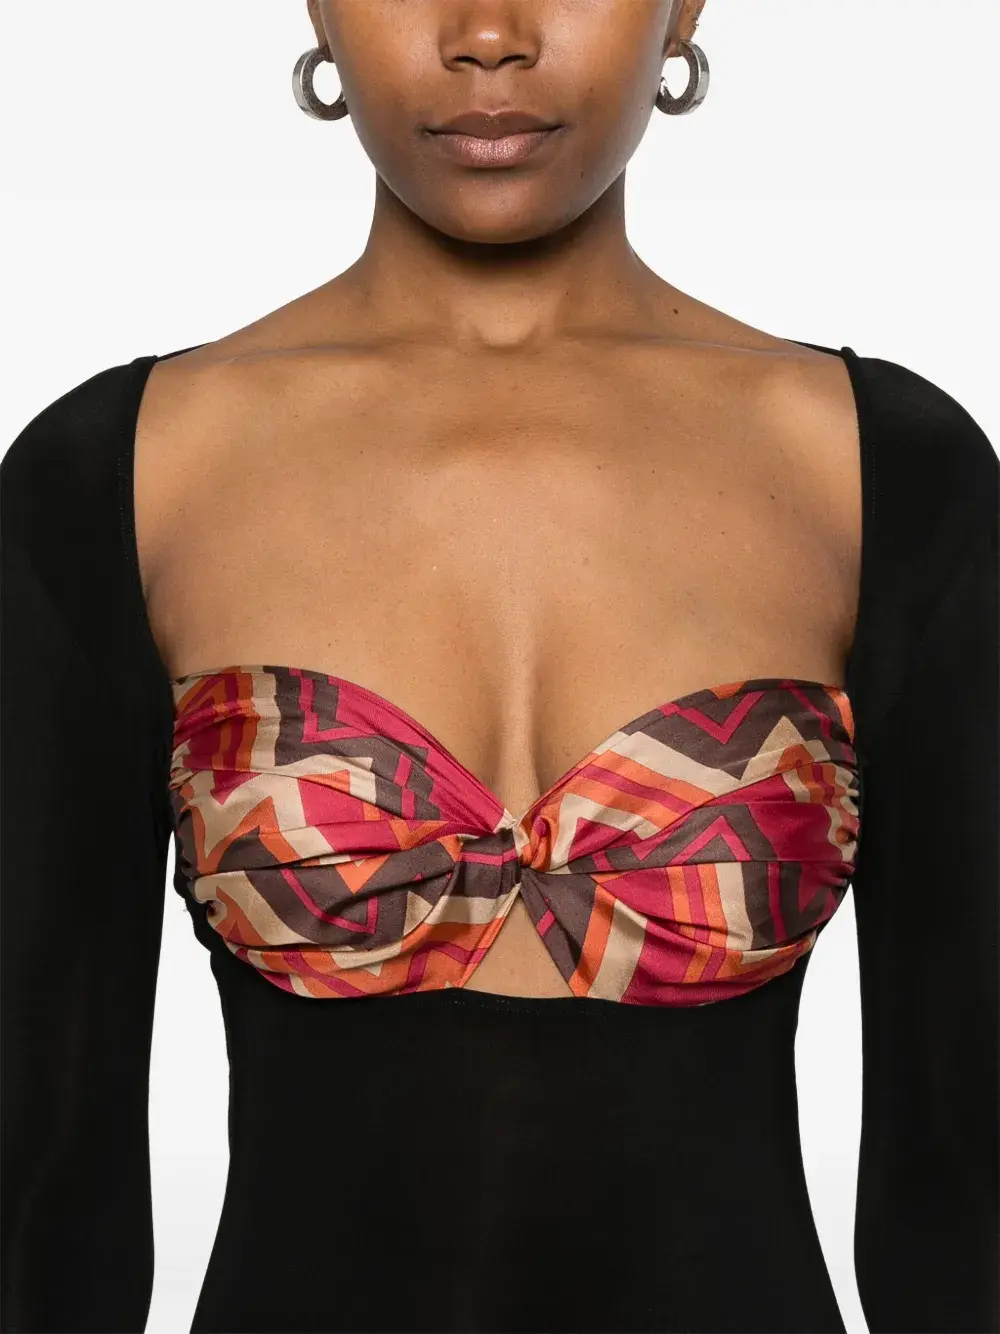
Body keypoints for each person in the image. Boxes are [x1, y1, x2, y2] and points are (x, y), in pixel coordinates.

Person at [2, 2, 998, 1331]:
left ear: (687, 6)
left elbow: (965, 1173)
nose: (487, 33)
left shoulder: (889, 472)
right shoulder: (118, 476)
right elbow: (39, 1181)